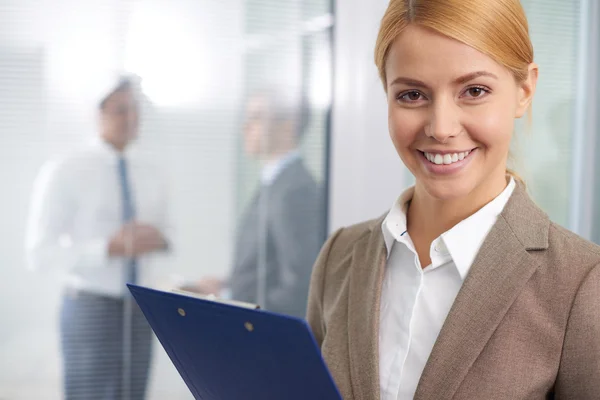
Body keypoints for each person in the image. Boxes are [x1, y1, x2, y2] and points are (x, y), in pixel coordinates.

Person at [306, 1, 600, 399]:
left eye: (474, 91)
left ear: (524, 90)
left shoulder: (582, 284)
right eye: (412, 95)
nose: (441, 128)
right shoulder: (339, 258)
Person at [25, 75, 171, 400]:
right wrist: (106, 248)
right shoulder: (65, 170)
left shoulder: (151, 170)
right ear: (97, 113)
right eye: (120, 110)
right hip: (90, 307)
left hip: (139, 308)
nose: (130, 118)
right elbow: (39, 252)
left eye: (135, 110)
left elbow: (168, 233)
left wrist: (156, 239)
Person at [185, 88, 323, 318]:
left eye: (257, 117)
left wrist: (229, 298)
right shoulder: (275, 182)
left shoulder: (294, 190)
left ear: (288, 125)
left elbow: (299, 286)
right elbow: (269, 266)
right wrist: (227, 286)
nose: (245, 127)